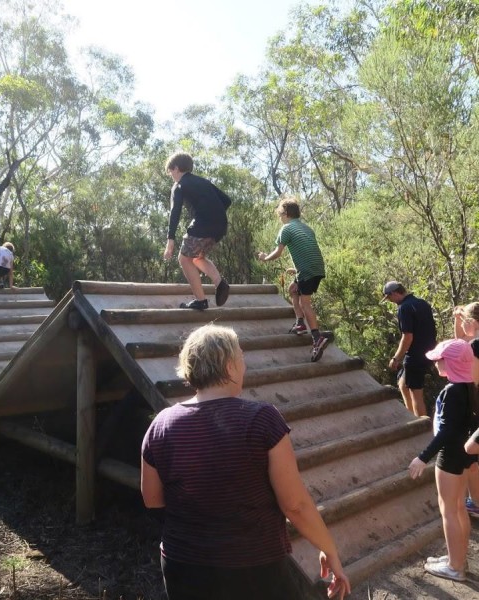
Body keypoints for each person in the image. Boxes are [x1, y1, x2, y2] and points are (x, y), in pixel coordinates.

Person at [141, 324, 351, 600]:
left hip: (183, 564)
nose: (245, 366)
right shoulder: (261, 419)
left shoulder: (161, 424)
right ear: (229, 366)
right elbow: (295, 504)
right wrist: (329, 548)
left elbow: (152, 499)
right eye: (241, 358)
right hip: (253, 566)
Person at [408, 338, 476, 582]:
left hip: (450, 457)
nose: (436, 363)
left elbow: (446, 431)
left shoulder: (451, 391)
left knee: (449, 510)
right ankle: (456, 558)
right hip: (464, 454)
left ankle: (455, 566)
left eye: (440, 359)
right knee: (459, 507)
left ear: (451, 362)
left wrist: (422, 458)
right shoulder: (470, 387)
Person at [257, 197, 329, 362]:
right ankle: (300, 323)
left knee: (306, 303)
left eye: (280, 214)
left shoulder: (287, 228)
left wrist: (264, 258)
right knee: (292, 289)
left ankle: (317, 338)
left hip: (307, 271)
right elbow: (308, 251)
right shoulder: (307, 228)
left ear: (286, 213)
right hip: (316, 268)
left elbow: (278, 253)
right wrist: (297, 270)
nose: (280, 218)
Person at [163, 152, 231, 310]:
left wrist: (170, 240)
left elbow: (175, 212)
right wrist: (214, 213)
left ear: (177, 168)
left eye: (170, 171)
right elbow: (227, 200)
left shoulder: (179, 185)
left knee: (184, 259)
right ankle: (220, 283)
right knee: (196, 257)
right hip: (220, 226)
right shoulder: (203, 182)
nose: (171, 175)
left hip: (202, 225)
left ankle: (200, 301)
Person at [383, 281, 436, 417]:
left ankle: (421, 428)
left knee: (416, 394)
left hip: (415, 356)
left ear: (394, 293)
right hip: (429, 352)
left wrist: (396, 358)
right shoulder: (422, 303)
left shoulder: (404, 308)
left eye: (389, 298)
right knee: (403, 384)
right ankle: (411, 417)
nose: (390, 301)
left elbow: (407, 337)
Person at [453, 302, 479, 518]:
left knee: (469, 449)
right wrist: (458, 318)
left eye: (464, 322)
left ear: (472, 322)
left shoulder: (477, 345)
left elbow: (474, 379)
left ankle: (476, 503)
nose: (462, 325)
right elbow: (461, 340)